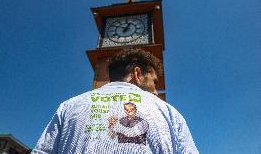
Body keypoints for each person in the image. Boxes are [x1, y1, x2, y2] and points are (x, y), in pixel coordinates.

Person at [31, 48, 199, 154]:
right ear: (137, 74)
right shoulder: (169, 113)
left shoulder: (68, 107)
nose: (156, 90)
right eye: (154, 81)